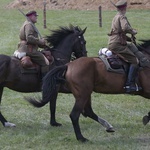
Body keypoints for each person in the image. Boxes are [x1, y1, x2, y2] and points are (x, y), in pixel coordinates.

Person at [108, 0, 142, 93]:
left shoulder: (115, 17)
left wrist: (129, 39)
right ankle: (129, 84)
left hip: (114, 42)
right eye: (125, 7)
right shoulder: (122, 17)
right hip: (117, 44)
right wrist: (133, 31)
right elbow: (125, 28)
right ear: (124, 8)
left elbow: (118, 32)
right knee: (135, 61)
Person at [17, 10, 49, 78]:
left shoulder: (29, 24)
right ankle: (44, 82)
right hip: (29, 50)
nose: (36, 17)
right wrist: (40, 41)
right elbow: (29, 38)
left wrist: (43, 44)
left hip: (26, 48)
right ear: (31, 16)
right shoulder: (29, 25)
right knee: (45, 62)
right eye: (35, 16)